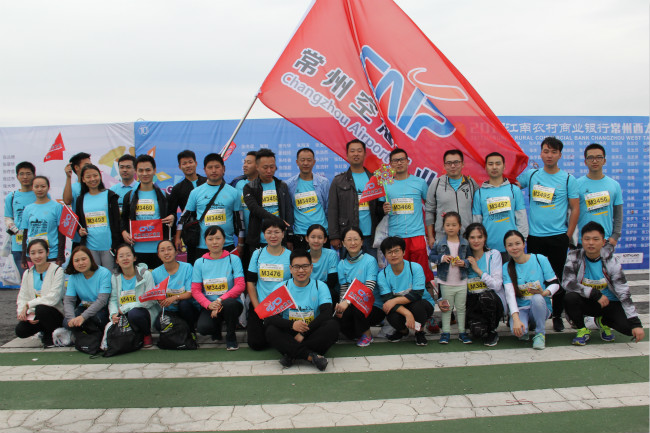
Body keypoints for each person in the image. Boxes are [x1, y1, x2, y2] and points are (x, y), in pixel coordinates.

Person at [517, 137, 579, 332]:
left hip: (558, 237)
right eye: (546, 151)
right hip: (535, 238)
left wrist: (568, 235)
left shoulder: (568, 179)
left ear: (560, 155)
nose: (549, 155)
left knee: (558, 279)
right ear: (540, 153)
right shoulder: (532, 175)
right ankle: (537, 314)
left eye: (553, 152)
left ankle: (558, 316)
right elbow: (512, 185)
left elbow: (575, 208)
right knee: (536, 278)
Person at [563, 222, 644, 345]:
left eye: (595, 239)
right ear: (582, 240)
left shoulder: (612, 261)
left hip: (609, 304)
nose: (591, 243)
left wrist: (635, 323)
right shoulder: (573, 256)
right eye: (587, 239)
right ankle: (582, 329)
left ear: (603, 241)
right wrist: (595, 294)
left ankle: (601, 322)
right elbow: (567, 283)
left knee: (630, 329)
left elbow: (624, 292)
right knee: (570, 298)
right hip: (587, 301)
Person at [265, 249, 339, 371]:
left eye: (305, 266)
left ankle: (291, 354)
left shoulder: (320, 286)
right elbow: (269, 317)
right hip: (291, 332)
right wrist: (292, 325)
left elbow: (326, 314)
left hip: (311, 331)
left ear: (311, 267)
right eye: (297, 267)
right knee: (271, 330)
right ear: (290, 269)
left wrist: (303, 333)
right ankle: (310, 356)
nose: (301, 270)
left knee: (332, 325)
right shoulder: (281, 287)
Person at [383, 148, 434, 282]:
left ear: (407, 161)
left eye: (402, 160)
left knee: (421, 274)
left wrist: (430, 235)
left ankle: (423, 294)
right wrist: (383, 209)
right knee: (400, 275)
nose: (399, 163)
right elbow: (379, 210)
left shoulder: (420, 183)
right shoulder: (385, 185)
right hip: (396, 236)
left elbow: (430, 208)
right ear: (390, 164)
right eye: (395, 160)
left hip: (417, 235)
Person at [502, 230, 559, 350]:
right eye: (510, 245)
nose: (514, 248)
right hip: (522, 309)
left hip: (540, 306)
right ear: (506, 248)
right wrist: (516, 319)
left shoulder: (539, 259)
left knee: (537, 298)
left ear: (524, 244)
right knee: (518, 332)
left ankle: (540, 334)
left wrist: (545, 293)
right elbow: (510, 295)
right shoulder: (506, 267)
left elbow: (555, 284)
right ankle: (525, 326)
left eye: (517, 243)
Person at [328, 139, 384, 259]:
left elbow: (379, 208)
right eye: (352, 151)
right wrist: (334, 236)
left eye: (359, 151)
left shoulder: (374, 179)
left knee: (371, 267)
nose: (356, 154)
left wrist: (384, 208)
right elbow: (332, 210)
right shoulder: (338, 181)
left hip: (371, 236)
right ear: (347, 155)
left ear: (365, 154)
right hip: (348, 236)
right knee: (349, 268)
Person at [191, 226, 245, 350]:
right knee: (203, 328)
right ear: (205, 241)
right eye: (210, 239)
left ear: (224, 240)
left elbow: (240, 285)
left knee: (230, 305)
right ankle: (216, 328)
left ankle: (231, 337)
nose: (214, 242)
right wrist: (209, 304)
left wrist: (220, 300)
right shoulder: (199, 262)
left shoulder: (233, 259)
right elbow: (195, 290)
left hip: (230, 304)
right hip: (210, 305)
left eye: (218, 238)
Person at [183, 153, 242, 259]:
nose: (214, 170)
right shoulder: (195, 192)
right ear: (205, 170)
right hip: (202, 246)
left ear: (223, 169)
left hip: (227, 245)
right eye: (210, 167)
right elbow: (184, 217)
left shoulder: (234, 192)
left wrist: (240, 243)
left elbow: (240, 220)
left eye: (217, 167)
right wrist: (178, 238)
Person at [120, 154, 174, 269]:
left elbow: (172, 215)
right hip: (137, 249)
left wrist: (172, 217)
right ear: (136, 171)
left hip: (159, 250)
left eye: (148, 170)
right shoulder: (129, 196)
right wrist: (124, 232)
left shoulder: (163, 195)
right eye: (141, 170)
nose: (144, 174)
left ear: (154, 170)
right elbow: (123, 218)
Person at [472, 152, 528, 261]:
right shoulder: (479, 193)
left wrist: (521, 242)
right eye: (490, 164)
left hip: (512, 249)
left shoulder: (514, 190)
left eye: (498, 164)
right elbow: (477, 222)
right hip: (488, 249)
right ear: (485, 167)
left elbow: (522, 218)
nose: (494, 167)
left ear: (504, 166)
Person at [377, 236, 433, 346]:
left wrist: (394, 301)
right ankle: (403, 331)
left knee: (418, 306)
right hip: (401, 307)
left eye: (397, 251)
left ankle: (419, 331)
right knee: (390, 311)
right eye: (389, 252)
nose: (393, 255)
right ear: (385, 255)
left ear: (403, 252)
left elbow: (417, 294)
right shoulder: (382, 275)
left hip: (421, 303)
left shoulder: (415, 268)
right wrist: (407, 313)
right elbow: (387, 299)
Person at [333, 227, 384, 347]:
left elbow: (369, 288)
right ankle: (357, 331)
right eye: (349, 239)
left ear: (362, 242)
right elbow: (343, 289)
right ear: (343, 243)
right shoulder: (342, 264)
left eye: (356, 239)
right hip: (352, 305)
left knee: (357, 306)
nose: (353, 243)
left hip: (374, 306)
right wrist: (341, 306)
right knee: (340, 320)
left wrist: (347, 302)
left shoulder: (370, 260)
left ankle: (367, 335)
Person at [246, 220, 292, 350]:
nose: (273, 236)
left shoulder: (290, 256)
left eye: (277, 232)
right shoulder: (257, 254)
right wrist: (258, 309)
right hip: (261, 305)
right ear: (263, 234)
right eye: (269, 232)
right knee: (256, 344)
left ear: (283, 234)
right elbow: (250, 282)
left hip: (282, 306)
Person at [429, 212, 471, 344]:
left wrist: (464, 262)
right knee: (446, 308)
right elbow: (431, 257)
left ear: (460, 226)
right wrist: (442, 258)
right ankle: (445, 333)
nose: (451, 228)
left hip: (461, 282)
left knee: (461, 309)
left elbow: (470, 259)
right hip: (445, 282)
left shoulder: (465, 243)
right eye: (448, 225)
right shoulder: (439, 242)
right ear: (443, 226)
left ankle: (462, 332)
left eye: (454, 225)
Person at [15, 239, 66, 348]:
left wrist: (29, 304)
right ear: (29, 255)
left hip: (54, 313)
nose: (37, 256)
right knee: (20, 330)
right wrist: (25, 314)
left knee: (41, 309)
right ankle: (43, 331)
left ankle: (50, 335)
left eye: (40, 252)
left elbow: (53, 298)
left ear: (47, 252)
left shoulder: (57, 271)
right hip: (35, 313)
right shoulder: (27, 273)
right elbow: (22, 296)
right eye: (33, 253)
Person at [109, 244, 159, 348]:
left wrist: (127, 307)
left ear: (134, 258)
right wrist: (113, 314)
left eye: (128, 255)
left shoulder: (145, 274)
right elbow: (113, 299)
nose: (125, 258)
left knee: (134, 313)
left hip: (143, 312)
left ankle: (146, 334)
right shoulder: (115, 277)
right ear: (117, 260)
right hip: (123, 313)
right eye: (121, 256)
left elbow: (151, 299)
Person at [243, 148, 293, 251]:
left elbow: (288, 211)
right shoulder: (250, 187)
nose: (269, 171)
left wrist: (289, 235)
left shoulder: (282, 186)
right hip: (259, 239)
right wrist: (278, 220)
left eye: (272, 167)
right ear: (257, 167)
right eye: (265, 167)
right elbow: (255, 209)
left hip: (280, 238)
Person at [425, 149, 479, 244]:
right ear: (444, 166)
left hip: (466, 237)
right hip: (443, 239)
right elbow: (429, 211)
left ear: (462, 164)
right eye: (449, 163)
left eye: (456, 162)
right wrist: (430, 237)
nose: (453, 166)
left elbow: (479, 207)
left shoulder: (470, 183)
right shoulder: (436, 184)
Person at [464, 223, 505, 346]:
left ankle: (492, 330)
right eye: (472, 237)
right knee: (477, 332)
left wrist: (478, 270)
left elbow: (497, 285)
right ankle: (478, 324)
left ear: (485, 238)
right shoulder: (464, 259)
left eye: (479, 237)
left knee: (486, 296)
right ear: (467, 239)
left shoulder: (493, 254)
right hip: (473, 301)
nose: (476, 241)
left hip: (491, 299)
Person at [576, 143, 623, 248]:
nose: (595, 161)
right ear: (585, 162)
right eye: (590, 158)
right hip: (582, 241)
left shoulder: (614, 185)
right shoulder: (576, 185)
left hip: (605, 242)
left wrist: (615, 237)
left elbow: (618, 215)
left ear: (604, 161)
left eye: (599, 157)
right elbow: (569, 213)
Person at [76, 164, 121, 268]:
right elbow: (79, 223)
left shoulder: (110, 195)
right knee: (94, 274)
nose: (92, 179)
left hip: (109, 247)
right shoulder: (80, 199)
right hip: (90, 247)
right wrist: (80, 230)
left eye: (95, 175)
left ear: (100, 176)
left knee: (110, 275)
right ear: (83, 179)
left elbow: (117, 221)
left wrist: (116, 244)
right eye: (88, 177)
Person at [286, 148, 330, 250]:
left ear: (314, 162)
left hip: (321, 233)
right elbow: (289, 210)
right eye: (302, 160)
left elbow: (328, 207)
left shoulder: (323, 182)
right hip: (300, 234)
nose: (305, 163)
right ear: (297, 162)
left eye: (309, 160)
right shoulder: (289, 184)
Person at [169, 150, 207, 264]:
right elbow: (172, 213)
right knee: (194, 263)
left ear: (196, 163)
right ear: (180, 167)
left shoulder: (207, 182)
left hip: (210, 228)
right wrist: (176, 236)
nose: (188, 165)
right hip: (191, 233)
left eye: (190, 162)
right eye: (184, 163)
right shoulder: (177, 189)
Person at [152, 240, 198, 332]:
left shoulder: (187, 267)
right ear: (158, 255)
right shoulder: (155, 273)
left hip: (187, 308)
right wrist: (159, 299)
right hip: (168, 310)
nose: (166, 253)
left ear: (176, 252)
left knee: (184, 304)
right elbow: (154, 295)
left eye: (169, 249)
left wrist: (174, 298)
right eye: (162, 250)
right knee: (158, 325)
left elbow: (190, 293)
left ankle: (191, 331)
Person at [63, 246, 112, 331]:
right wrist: (71, 318)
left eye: (84, 259)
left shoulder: (104, 273)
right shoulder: (73, 277)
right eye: (76, 261)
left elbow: (102, 300)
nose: (81, 263)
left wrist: (83, 317)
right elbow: (69, 301)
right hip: (84, 306)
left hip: (101, 308)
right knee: (66, 323)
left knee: (97, 319)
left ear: (91, 259)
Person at [20, 176, 65, 267]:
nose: (39, 189)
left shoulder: (57, 207)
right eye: (36, 186)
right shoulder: (28, 209)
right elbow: (25, 234)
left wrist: (60, 256)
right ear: (32, 188)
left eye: (43, 186)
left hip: (52, 254)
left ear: (48, 187)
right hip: (32, 256)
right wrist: (24, 257)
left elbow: (61, 233)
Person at [5, 161, 36, 278]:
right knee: (24, 279)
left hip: (38, 243)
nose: (25, 177)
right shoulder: (12, 196)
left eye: (28, 173)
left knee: (39, 279)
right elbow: (8, 217)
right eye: (21, 174)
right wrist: (12, 227)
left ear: (34, 175)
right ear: (17, 176)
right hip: (18, 245)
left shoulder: (39, 194)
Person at [230, 150, 257, 270]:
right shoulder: (238, 183)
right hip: (242, 237)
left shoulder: (266, 184)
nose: (245, 165)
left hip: (260, 237)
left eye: (249, 162)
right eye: (244, 162)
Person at [63, 152, 92, 249]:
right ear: (76, 167)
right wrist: (68, 177)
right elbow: (67, 201)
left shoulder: (95, 186)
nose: (89, 167)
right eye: (86, 165)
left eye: (91, 164)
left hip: (96, 236)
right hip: (79, 237)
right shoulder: (73, 187)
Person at [305, 224, 339, 304]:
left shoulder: (331, 254)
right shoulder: (303, 256)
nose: (316, 241)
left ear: (325, 240)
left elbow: (332, 281)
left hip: (326, 290)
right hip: (306, 291)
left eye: (320, 237)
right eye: (313, 237)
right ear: (307, 238)